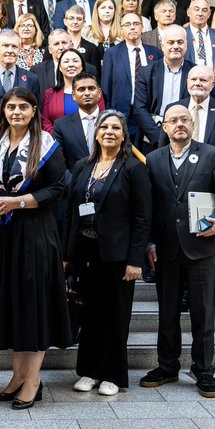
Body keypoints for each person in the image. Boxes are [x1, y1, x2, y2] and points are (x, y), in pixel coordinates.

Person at [0, 88, 73, 409]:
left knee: (33, 305)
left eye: (23, 107)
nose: (16, 112)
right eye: (10, 107)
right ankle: (18, 376)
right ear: (3, 111)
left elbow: (57, 188)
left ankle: (33, 380)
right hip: (1, 236)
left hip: (35, 234)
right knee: (15, 306)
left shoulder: (47, 145)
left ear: (34, 110)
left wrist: (15, 201)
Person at [141, 102, 215, 397]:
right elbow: (147, 208)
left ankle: (204, 370)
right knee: (167, 313)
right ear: (165, 127)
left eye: (185, 119)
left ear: (192, 125)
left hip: (201, 247)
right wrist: (149, 243)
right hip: (166, 250)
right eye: (173, 120)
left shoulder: (211, 155)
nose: (180, 124)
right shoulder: (152, 159)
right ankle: (167, 366)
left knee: (203, 313)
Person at [63, 111, 150, 395]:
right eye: (104, 127)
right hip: (85, 251)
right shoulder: (82, 166)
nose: (109, 131)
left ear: (124, 135)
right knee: (89, 314)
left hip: (117, 256)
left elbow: (142, 217)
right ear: (96, 133)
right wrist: (68, 254)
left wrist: (136, 260)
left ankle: (112, 374)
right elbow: (71, 212)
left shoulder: (133, 168)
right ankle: (89, 371)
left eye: (116, 127)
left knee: (115, 315)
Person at [101, 11, 162, 144]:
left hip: (149, 114)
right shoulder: (112, 53)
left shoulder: (155, 53)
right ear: (121, 29)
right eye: (127, 24)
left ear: (142, 27)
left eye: (136, 23)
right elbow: (106, 87)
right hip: (123, 113)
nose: (132, 27)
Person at [131, 24, 193, 152]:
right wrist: (159, 138)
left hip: (186, 137)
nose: (175, 46)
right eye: (171, 42)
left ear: (186, 45)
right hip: (152, 139)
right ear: (162, 45)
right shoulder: (146, 72)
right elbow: (139, 108)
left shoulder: (194, 73)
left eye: (180, 42)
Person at [178, 64, 215, 156]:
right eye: (193, 79)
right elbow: (164, 148)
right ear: (187, 82)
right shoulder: (174, 108)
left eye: (203, 80)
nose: (197, 83)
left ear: (212, 84)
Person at [42, 47, 102, 132]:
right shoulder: (49, 94)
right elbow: (45, 121)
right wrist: (59, 138)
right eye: (66, 61)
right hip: (57, 141)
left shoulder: (94, 91)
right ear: (60, 68)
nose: (71, 65)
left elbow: (101, 118)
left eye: (75, 61)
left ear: (82, 66)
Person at [51, 72, 103, 170]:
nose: (87, 93)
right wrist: (74, 184)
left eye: (91, 88)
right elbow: (58, 163)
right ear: (73, 95)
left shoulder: (114, 121)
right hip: (75, 182)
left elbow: (124, 155)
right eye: (81, 89)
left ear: (99, 93)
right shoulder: (61, 125)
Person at [183, 0, 215, 68]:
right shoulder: (180, 36)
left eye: (204, 10)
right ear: (188, 12)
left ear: (209, 14)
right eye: (196, 9)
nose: (200, 14)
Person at [61, 3, 102, 71]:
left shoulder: (92, 48)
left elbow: (95, 74)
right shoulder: (58, 46)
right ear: (65, 21)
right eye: (71, 18)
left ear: (84, 22)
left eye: (79, 19)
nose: (75, 22)